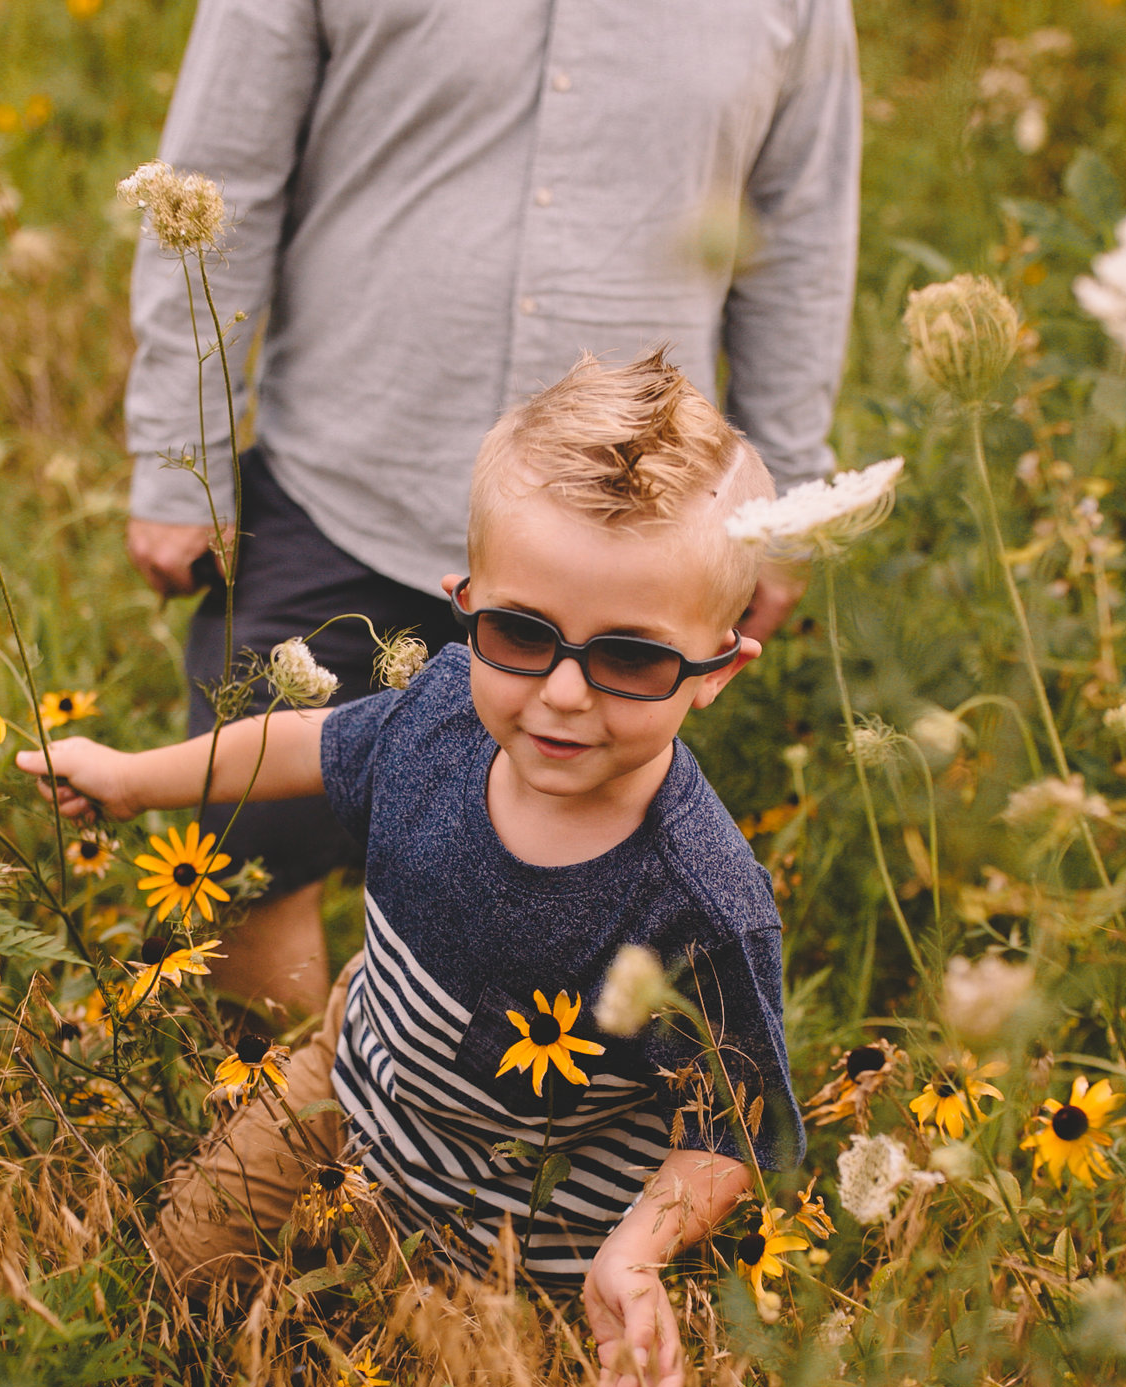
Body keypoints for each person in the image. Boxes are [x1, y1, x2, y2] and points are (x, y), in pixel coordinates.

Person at [27, 354, 803, 1387]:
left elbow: (736, 1121)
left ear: (718, 667)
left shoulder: (701, 898)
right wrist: (128, 774)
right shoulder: (439, 712)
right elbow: (301, 741)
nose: (564, 692)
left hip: (529, 1240)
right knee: (171, 1284)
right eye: (523, 635)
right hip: (348, 1080)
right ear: (465, 607)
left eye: (628, 658)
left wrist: (636, 1251)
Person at [121, 0, 861, 1018]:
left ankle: (459, 1157)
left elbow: (799, 239)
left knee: (563, 887)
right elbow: (215, 176)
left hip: (625, 565)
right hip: (348, 480)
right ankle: (285, 1152)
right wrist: (178, 454)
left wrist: (782, 520)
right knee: (252, 848)